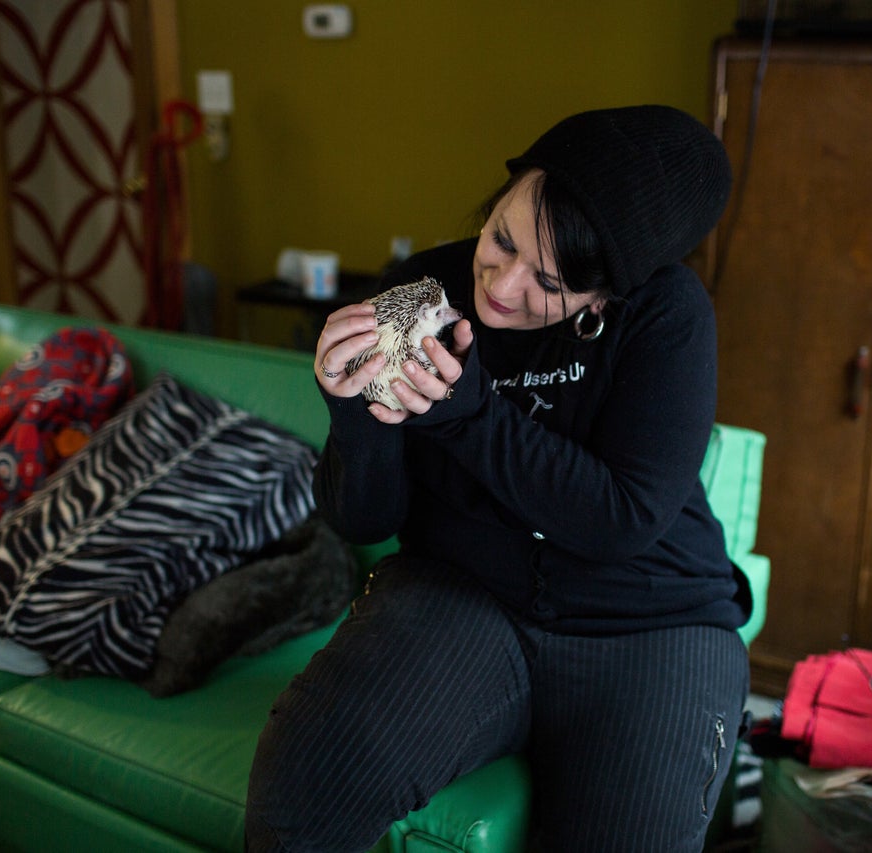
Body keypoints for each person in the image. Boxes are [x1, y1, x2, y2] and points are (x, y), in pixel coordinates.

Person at [246, 104, 752, 852]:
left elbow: (621, 517)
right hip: (464, 593)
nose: (503, 287)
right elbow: (364, 520)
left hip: (649, 619)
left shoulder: (667, 314)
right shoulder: (423, 290)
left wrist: (468, 413)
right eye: (501, 238)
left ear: (602, 297)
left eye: (548, 282)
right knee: (304, 793)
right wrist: (354, 408)